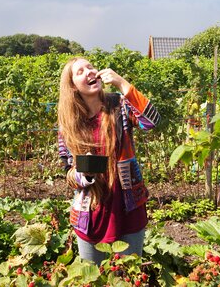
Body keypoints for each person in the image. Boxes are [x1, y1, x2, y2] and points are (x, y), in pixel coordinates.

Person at [57, 57, 160, 265]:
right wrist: (85, 175)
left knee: (129, 275)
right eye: (80, 72)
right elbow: (68, 173)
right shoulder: (69, 124)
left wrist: (122, 83)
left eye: (90, 67)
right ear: (73, 87)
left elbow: (151, 121)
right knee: (92, 277)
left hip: (128, 207)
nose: (89, 72)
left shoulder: (119, 105)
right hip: (91, 213)